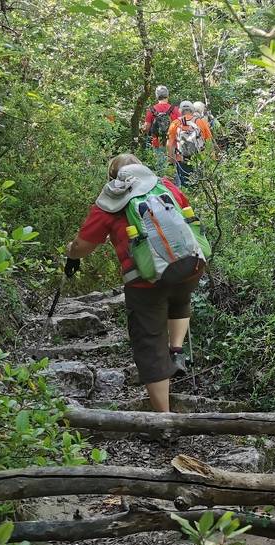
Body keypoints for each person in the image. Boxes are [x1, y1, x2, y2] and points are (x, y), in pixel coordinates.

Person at [65, 154, 203, 413]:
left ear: (112, 178)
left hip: (143, 283)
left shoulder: (109, 203)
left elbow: (83, 245)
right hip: (187, 267)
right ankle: (176, 349)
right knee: (179, 297)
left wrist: (71, 253)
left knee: (150, 345)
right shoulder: (165, 185)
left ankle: (164, 420)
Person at [167, 100, 214, 188]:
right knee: (200, 185)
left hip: (181, 159)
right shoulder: (201, 122)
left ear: (180, 111)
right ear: (192, 110)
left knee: (185, 186)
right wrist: (211, 157)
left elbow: (170, 144)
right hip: (199, 158)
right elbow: (209, 141)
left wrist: (171, 159)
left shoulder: (175, 123)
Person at [142, 86, 177, 173]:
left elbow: (146, 128)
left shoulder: (151, 110)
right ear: (167, 95)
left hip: (157, 143)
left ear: (157, 96)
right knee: (173, 170)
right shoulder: (175, 109)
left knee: (160, 168)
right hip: (172, 143)